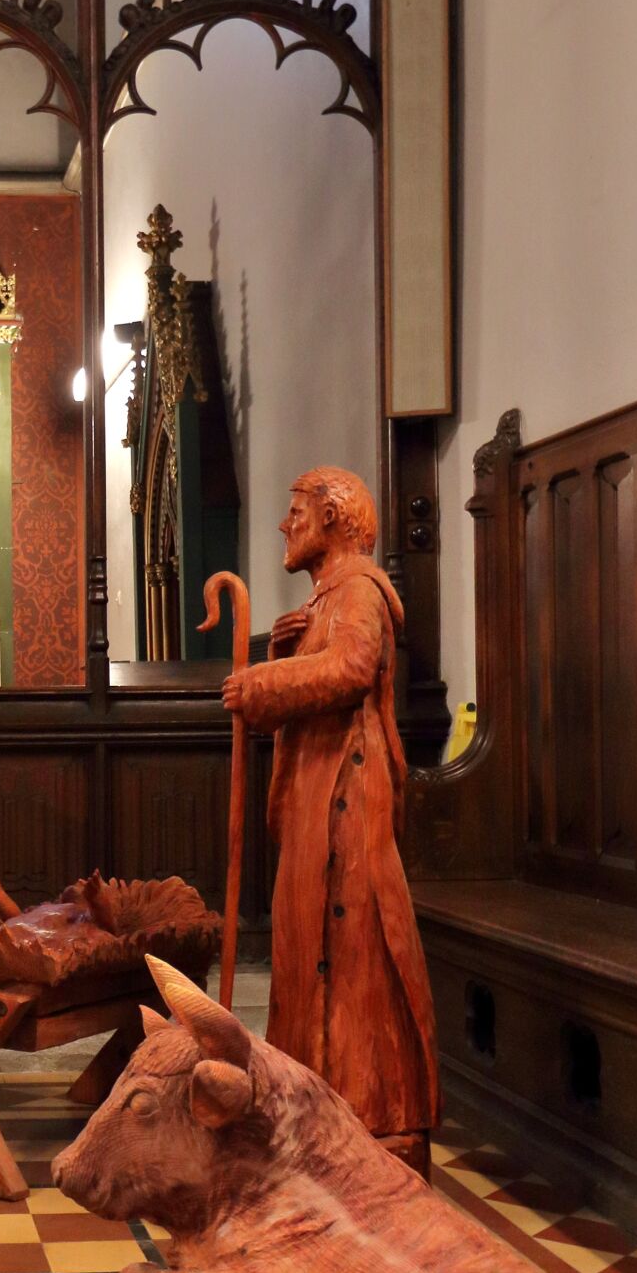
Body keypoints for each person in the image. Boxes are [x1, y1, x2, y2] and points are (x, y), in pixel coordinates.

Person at [220, 466, 439, 1163]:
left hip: (347, 800)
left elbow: (350, 669)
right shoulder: (328, 597)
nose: (285, 525)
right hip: (321, 794)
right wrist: (288, 649)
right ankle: (314, 1096)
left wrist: (262, 681)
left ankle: (370, 1111)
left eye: (295, 511)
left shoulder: (359, 590)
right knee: (304, 946)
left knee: (345, 953)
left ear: (334, 517)